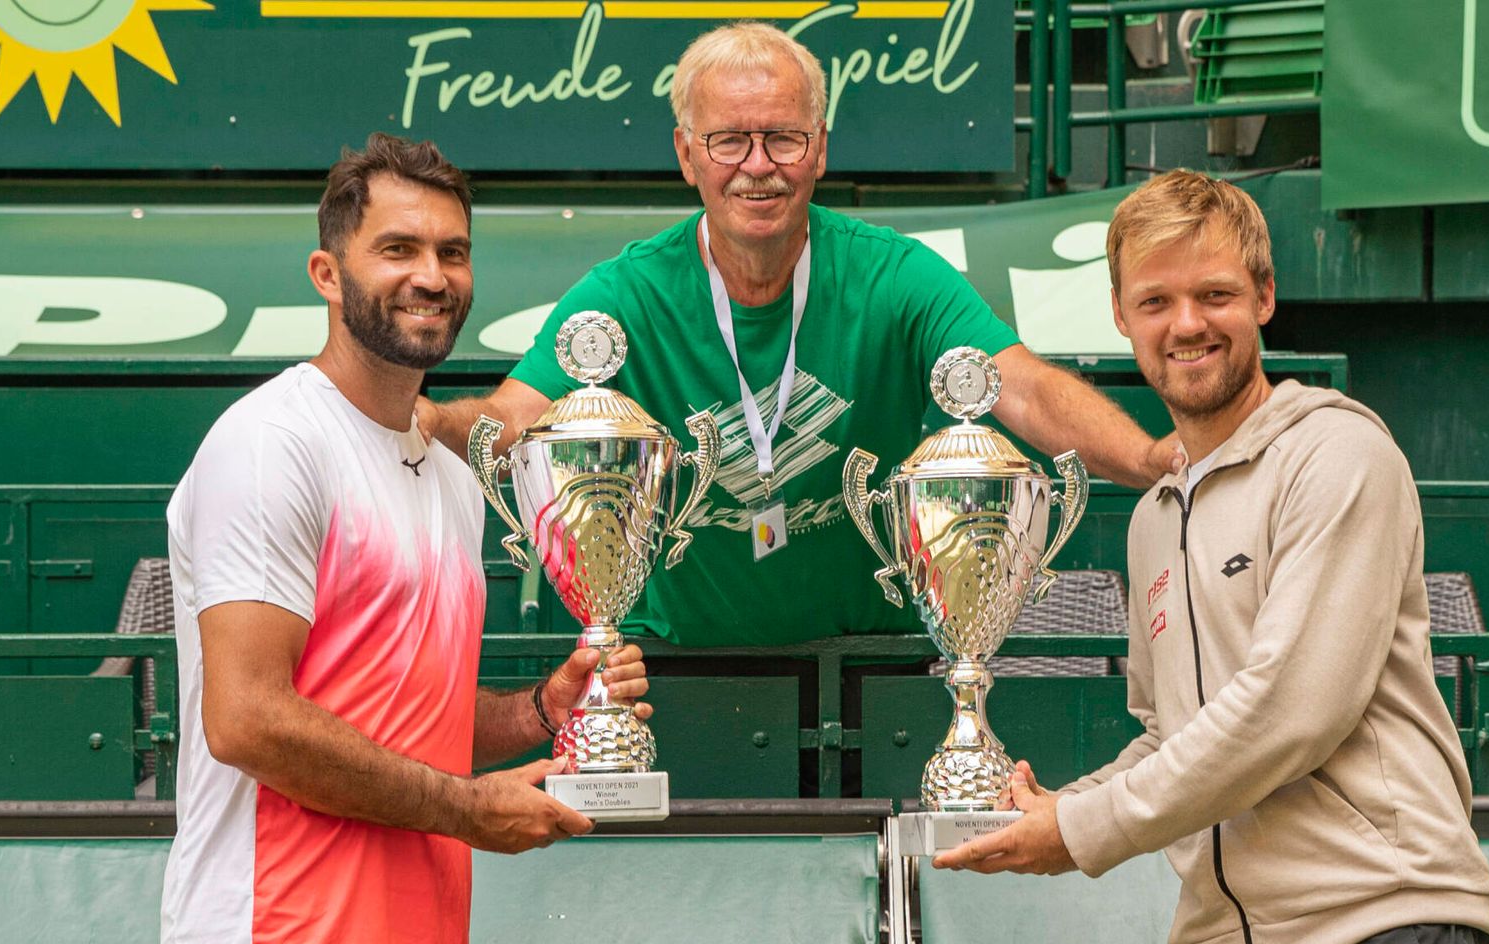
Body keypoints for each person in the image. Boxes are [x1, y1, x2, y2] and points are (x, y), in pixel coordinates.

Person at [934, 170, 1489, 944]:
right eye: (1154, 301)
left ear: (1264, 300)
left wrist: (1082, 828)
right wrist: (1059, 806)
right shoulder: (1155, 516)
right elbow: (1172, 735)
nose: (1185, 324)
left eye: (1214, 296)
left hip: (1374, 941)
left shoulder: (1335, 455)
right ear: (1119, 314)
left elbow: (1290, 707)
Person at [160, 133, 650, 944]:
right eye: (397, 249)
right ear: (328, 273)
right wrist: (467, 811)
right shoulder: (270, 443)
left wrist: (534, 715)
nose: (431, 275)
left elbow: (398, 719)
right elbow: (248, 719)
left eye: (452, 251)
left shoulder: (449, 475)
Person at [417, 22, 1180, 648]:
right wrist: (425, 422)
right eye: (729, 141)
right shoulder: (629, 291)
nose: (759, 167)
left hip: (868, 669)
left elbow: (1022, 385)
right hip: (670, 673)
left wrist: (1152, 459)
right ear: (687, 155)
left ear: (819, 147)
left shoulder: (893, 277)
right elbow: (519, 419)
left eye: (783, 138)